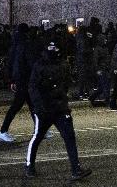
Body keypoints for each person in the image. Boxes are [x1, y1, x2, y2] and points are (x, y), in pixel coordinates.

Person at [24, 41, 91, 182]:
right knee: (37, 137)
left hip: (60, 108)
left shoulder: (62, 64)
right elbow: (33, 88)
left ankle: (76, 169)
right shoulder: (40, 65)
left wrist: (62, 100)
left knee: (69, 137)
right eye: (51, 48)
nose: (53, 51)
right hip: (45, 109)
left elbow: (65, 84)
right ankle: (29, 166)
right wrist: (39, 107)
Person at [0, 24, 37, 141]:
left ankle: (39, 129)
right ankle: (3, 131)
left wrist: (11, 79)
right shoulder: (25, 45)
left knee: (32, 104)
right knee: (18, 106)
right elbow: (26, 63)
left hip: (20, 79)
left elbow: (11, 63)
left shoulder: (15, 44)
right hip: (24, 79)